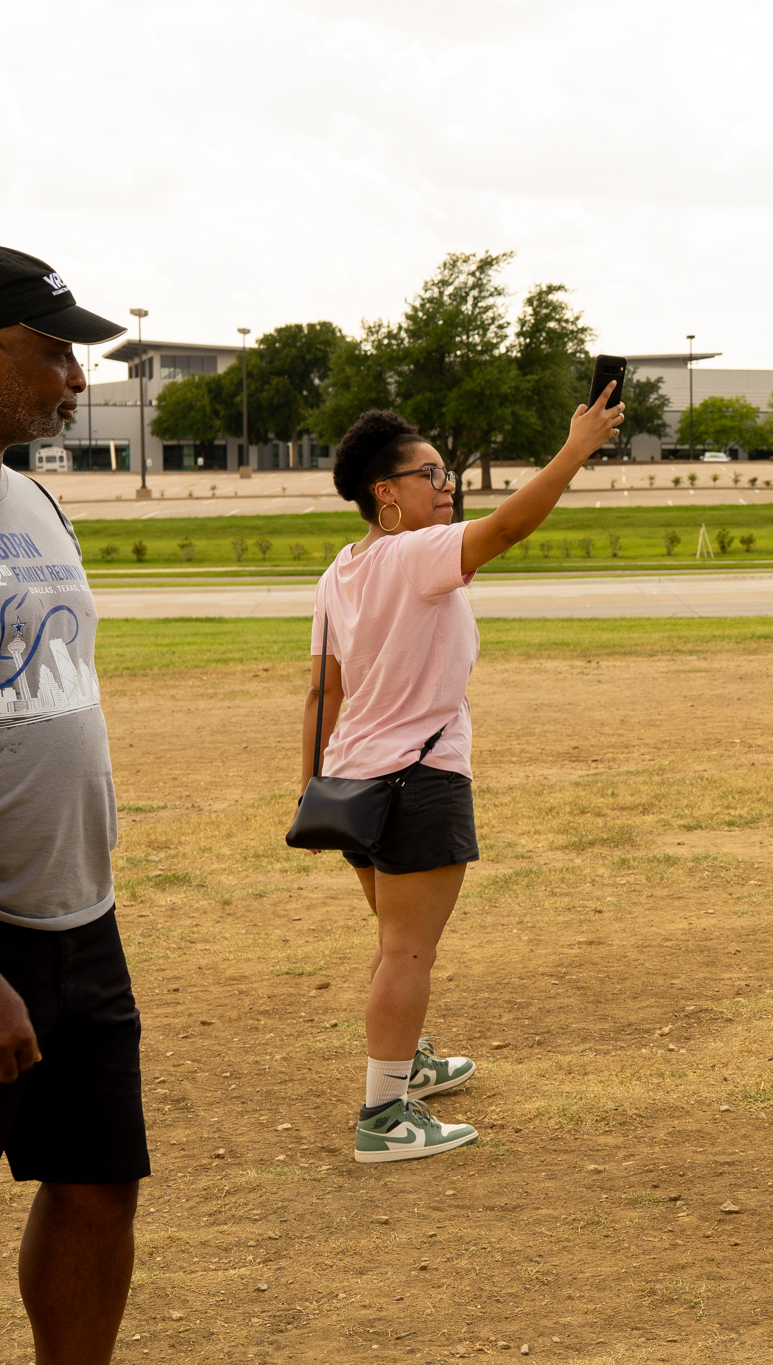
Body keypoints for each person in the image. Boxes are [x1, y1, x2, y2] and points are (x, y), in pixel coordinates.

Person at [0, 243, 142, 1364]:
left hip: (77, 922)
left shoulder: (37, 498)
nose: (76, 377)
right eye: (57, 352)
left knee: (97, 1184)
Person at [306, 392, 624, 1164]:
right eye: (432, 474)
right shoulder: (416, 554)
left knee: (395, 941)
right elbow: (508, 527)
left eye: (447, 472)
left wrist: (312, 786)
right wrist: (575, 447)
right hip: (416, 779)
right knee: (407, 952)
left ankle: (403, 1061)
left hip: (352, 784)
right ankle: (384, 1115)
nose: (447, 486)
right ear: (386, 491)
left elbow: (323, 691)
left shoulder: (341, 570)